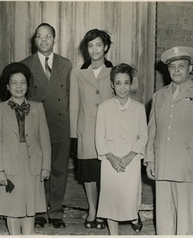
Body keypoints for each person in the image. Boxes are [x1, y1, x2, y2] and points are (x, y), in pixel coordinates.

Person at [145, 46, 193, 235]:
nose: (176, 70)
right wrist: (150, 159)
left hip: (189, 168)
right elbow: (152, 129)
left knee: (186, 220)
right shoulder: (159, 96)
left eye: (181, 66)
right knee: (163, 218)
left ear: (190, 68)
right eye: (172, 67)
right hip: (162, 166)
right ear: (168, 70)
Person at [20, 23, 72, 228]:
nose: (44, 40)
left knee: (59, 169)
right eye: (39, 36)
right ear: (34, 40)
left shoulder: (66, 64)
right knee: (38, 169)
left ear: (54, 39)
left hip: (60, 123)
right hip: (37, 125)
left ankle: (57, 211)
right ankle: (39, 210)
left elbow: (70, 95)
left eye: (48, 36)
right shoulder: (24, 64)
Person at [0, 62, 51, 235]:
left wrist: (46, 166)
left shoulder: (38, 108)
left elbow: (45, 140)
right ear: (8, 87)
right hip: (9, 165)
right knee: (13, 208)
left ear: (27, 85)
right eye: (14, 83)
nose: (19, 87)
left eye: (23, 82)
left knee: (29, 206)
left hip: (32, 164)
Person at [95, 63, 148, 235]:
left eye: (126, 82)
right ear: (112, 85)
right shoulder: (104, 107)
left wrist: (132, 155)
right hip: (110, 160)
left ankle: (133, 216)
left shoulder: (139, 108)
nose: (122, 87)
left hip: (131, 160)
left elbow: (144, 136)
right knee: (111, 198)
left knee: (130, 195)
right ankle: (114, 233)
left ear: (131, 84)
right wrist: (110, 157)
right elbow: (99, 137)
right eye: (118, 83)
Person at [70, 29, 114, 229]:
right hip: (86, 130)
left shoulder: (115, 71)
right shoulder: (78, 72)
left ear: (105, 47)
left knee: (105, 173)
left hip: (109, 132)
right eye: (90, 45)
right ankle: (92, 210)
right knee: (88, 174)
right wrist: (74, 134)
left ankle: (105, 210)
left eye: (98, 45)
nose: (94, 49)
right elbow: (73, 104)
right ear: (86, 49)